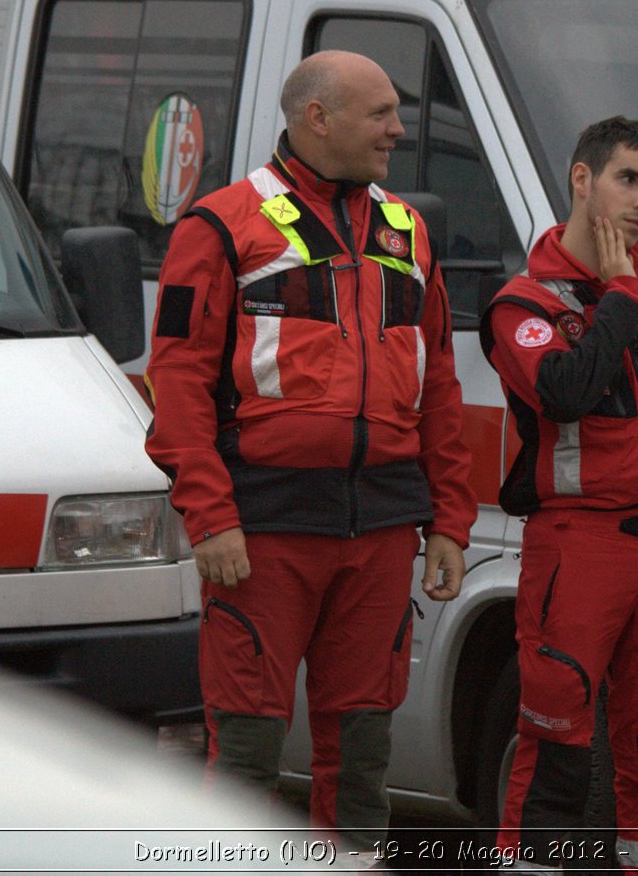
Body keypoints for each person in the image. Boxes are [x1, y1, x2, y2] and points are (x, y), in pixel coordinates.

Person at [143, 51, 476, 843]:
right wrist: (211, 517)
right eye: (381, 113)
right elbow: (178, 385)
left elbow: (440, 389)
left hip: (382, 528)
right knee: (249, 753)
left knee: (362, 753)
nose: (399, 129)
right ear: (316, 118)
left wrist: (452, 524)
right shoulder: (220, 226)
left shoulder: (407, 229)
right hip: (262, 531)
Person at [480, 116, 638, 873]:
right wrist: (622, 298)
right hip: (578, 542)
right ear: (582, 178)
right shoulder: (522, 302)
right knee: (556, 737)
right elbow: (564, 392)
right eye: (628, 180)